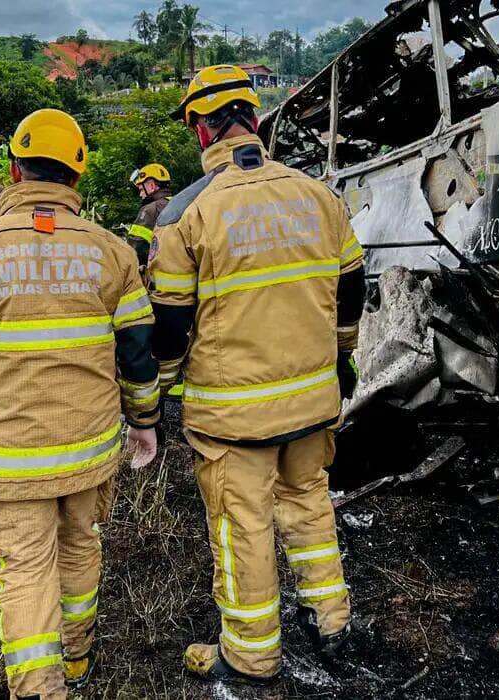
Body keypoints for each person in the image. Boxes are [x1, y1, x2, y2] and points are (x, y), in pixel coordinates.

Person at [0, 109, 160, 700]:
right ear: (77, 177)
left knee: (24, 571)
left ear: (14, 169)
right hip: (91, 450)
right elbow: (138, 355)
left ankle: (41, 689)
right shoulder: (114, 253)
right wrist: (146, 424)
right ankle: (75, 661)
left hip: (9, 456)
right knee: (80, 550)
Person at [148, 65, 366, 684]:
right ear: (256, 119)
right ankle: (331, 619)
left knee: (243, 526)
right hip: (314, 397)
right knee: (308, 503)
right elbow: (351, 288)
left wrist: (160, 391)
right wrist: (343, 355)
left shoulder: (184, 216)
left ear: (198, 129)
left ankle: (251, 655)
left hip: (233, 414)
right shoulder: (318, 195)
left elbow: (170, 325)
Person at [126, 164, 172, 273]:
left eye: (141, 189)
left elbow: (136, 247)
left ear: (151, 186)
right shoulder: (178, 203)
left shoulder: (150, 210)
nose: (141, 195)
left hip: (158, 275)